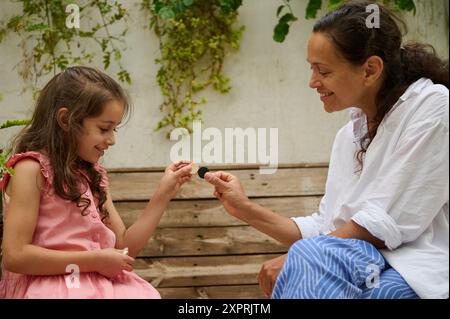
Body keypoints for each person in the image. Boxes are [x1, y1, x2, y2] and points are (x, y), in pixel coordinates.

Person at [204, 0, 449, 299]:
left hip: (419, 269)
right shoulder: (349, 136)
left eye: (323, 71)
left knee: (350, 280)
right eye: (311, 69)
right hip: (358, 262)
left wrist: (300, 258)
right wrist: (244, 208)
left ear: (370, 69)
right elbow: (328, 227)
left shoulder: (432, 106)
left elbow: (384, 225)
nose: (312, 82)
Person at [0, 66, 193, 298]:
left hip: (100, 287)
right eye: (104, 128)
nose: (111, 139)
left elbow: (123, 248)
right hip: (52, 288)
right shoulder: (30, 170)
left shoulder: (93, 176)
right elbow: (15, 256)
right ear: (66, 120)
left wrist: (164, 193)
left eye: (114, 129)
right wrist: (94, 261)